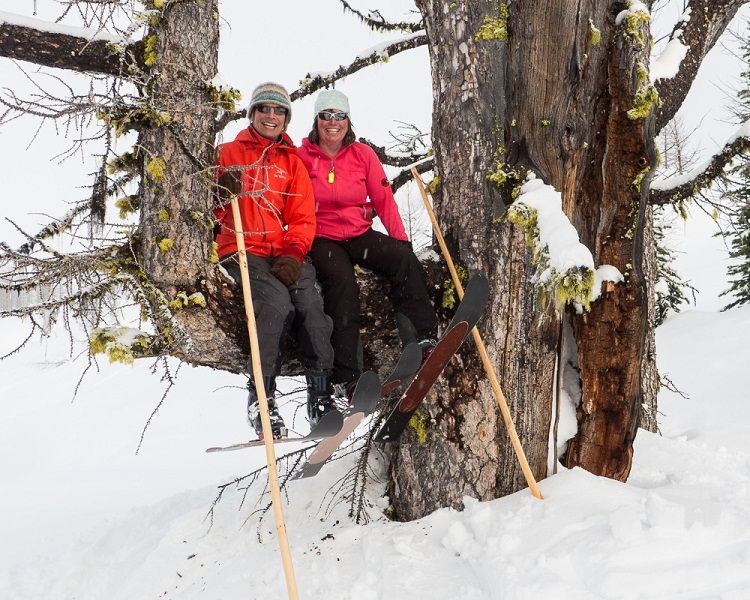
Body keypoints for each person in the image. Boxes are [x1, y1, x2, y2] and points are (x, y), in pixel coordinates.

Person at [214, 82, 336, 439]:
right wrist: (221, 193)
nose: (271, 116)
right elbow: (205, 209)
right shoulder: (227, 153)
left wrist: (295, 252)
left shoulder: (292, 163)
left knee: (311, 305)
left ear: (286, 118)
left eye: (279, 110)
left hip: (281, 252)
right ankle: (262, 399)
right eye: (264, 108)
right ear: (252, 113)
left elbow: (302, 217)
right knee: (275, 305)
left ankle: (320, 396)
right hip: (240, 247)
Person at [296, 89, 438, 397]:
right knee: (342, 284)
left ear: (348, 120)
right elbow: (290, 199)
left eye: (339, 116)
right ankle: (348, 376)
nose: (332, 123)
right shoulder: (301, 156)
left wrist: (401, 239)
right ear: (316, 120)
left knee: (402, 258)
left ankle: (421, 339)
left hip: (359, 233)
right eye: (326, 116)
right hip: (323, 238)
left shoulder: (362, 155)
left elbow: (384, 199)